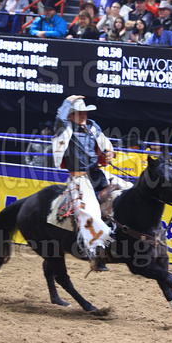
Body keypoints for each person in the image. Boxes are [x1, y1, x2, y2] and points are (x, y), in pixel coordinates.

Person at [52, 95, 114, 272]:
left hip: (97, 173)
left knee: (125, 190)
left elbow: (105, 144)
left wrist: (109, 152)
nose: (84, 115)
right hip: (79, 178)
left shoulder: (93, 127)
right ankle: (94, 253)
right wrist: (67, 102)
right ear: (71, 115)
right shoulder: (65, 129)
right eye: (79, 112)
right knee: (90, 212)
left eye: (85, 112)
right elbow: (58, 121)